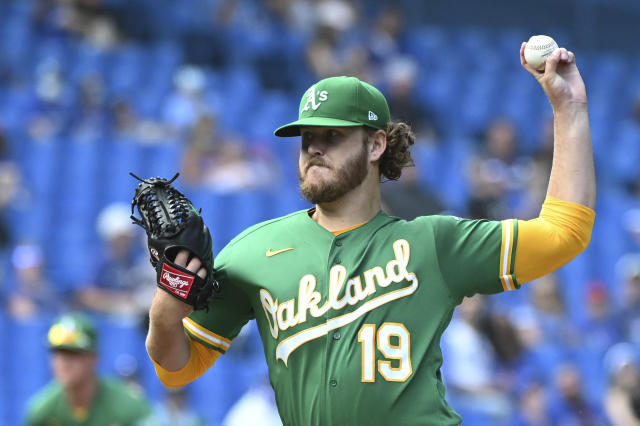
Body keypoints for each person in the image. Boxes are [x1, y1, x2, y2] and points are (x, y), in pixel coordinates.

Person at [145, 43, 595, 425]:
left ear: (376, 144)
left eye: (332, 136)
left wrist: (569, 109)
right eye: (306, 138)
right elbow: (175, 370)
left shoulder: (434, 244)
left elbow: (563, 233)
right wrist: (168, 302)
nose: (314, 148)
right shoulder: (253, 252)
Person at [25, 313, 152, 425]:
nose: (63, 363)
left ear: (93, 359)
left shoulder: (127, 408)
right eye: (58, 354)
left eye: (73, 354)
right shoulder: (43, 412)